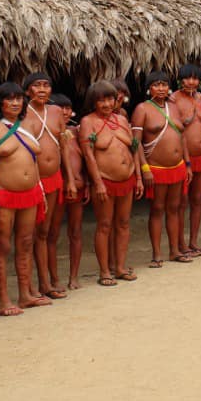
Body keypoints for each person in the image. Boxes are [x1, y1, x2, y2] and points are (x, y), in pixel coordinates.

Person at [0, 82, 50, 315]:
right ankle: (3, 301)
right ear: (0, 102)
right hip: (3, 193)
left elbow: (34, 161)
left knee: (26, 243)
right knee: (3, 246)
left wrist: (40, 190)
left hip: (30, 193)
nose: (15, 103)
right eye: (9, 99)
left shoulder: (27, 124)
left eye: (19, 99)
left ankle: (25, 295)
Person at [79, 80, 144, 286]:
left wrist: (139, 177)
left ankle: (120, 267)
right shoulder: (88, 122)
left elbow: (133, 148)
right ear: (93, 102)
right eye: (101, 100)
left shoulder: (121, 120)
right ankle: (104, 271)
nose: (106, 104)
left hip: (128, 177)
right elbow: (88, 155)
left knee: (123, 223)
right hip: (105, 179)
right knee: (105, 225)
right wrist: (97, 182)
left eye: (109, 99)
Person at [131, 71, 192, 266]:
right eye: (156, 85)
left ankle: (174, 250)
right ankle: (157, 254)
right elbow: (136, 143)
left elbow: (182, 137)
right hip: (156, 167)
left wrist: (188, 163)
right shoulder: (142, 109)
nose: (161, 88)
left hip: (178, 166)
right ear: (149, 88)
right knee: (157, 209)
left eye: (164, 85)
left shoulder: (173, 107)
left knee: (174, 209)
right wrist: (144, 168)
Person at [22, 73, 71, 300]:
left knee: (45, 231)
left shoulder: (56, 112)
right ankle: (32, 286)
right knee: (29, 235)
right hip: (34, 181)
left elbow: (64, 147)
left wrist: (69, 178)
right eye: (36, 86)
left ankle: (46, 282)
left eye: (46, 85)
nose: (42, 89)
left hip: (55, 178)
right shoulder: (22, 113)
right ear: (28, 91)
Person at [171, 64, 201, 257]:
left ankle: (193, 241)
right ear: (180, 79)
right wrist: (187, 118)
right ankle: (180, 244)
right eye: (188, 78)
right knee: (182, 201)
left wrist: (200, 117)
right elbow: (176, 128)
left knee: (197, 200)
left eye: (195, 79)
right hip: (183, 156)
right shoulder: (173, 99)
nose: (191, 82)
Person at [52, 95, 87, 291]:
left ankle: (74, 277)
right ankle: (54, 279)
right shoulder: (46, 133)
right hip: (56, 189)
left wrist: (88, 183)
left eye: (68, 108)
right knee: (52, 234)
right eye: (60, 108)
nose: (64, 112)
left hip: (79, 188)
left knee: (75, 232)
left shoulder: (77, 132)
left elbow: (87, 160)